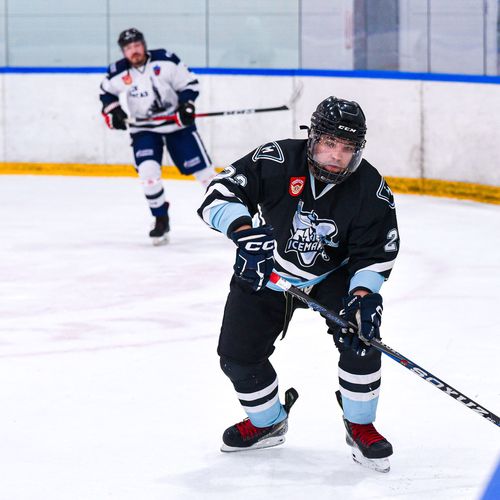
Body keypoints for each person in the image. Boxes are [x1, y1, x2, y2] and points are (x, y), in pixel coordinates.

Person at [197, 96, 400, 473]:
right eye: (329, 143)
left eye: (347, 147)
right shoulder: (276, 159)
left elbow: (374, 251)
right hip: (267, 269)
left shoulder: (370, 188)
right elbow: (221, 191)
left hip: (332, 275)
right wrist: (243, 233)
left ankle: (360, 424)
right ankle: (267, 422)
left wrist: (362, 294)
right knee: (237, 356)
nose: (336, 155)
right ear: (312, 137)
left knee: (361, 335)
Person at [100, 28, 216, 245]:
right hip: (144, 129)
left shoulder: (165, 61)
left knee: (206, 174)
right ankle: (161, 218)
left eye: (137, 45)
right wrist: (114, 112)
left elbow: (189, 83)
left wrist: (186, 105)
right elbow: (106, 94)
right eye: (128, 48)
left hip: (176, 125)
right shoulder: (118, 72)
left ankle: (239, 211)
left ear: (144, 45)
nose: (134, 51)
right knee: (148, 172)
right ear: (123, 51)